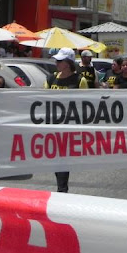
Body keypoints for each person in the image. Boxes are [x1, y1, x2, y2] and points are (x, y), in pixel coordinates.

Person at [45, 48, 88, 193]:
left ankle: (62, 189)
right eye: (56, 60)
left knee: (62, 159)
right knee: (55, 160)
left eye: (59, 60)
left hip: (69, 127)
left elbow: (85, 104)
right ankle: (62, 187)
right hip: (52, 126)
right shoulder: (50, 79)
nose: (56, 63)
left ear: (68, 63)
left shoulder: (79, 80)